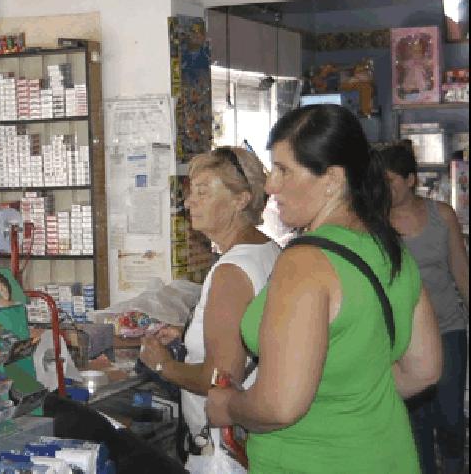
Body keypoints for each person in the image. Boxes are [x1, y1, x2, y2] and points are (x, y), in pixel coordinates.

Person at [206, 104, 443, 473]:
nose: (270, 185)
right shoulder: (389, 248)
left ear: (331, 179)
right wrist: (347, 402)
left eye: (284, 170)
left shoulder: (305, 263)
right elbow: (424, 370)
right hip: (387, 454)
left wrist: (228, 405)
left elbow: (280, 406)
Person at [138, 146, 279, 471]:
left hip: (222, 449)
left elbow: (220, 377)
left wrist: (162, 365)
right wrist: (190, 336)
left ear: (240, 200)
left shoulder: (232, 270)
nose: (189, 202)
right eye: (191, 192)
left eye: (202, 192)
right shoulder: (267, 250)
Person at [381, 141, 469, 474]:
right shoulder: (375, 222)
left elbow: (461, 271)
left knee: (449, 416)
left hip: (448, 328)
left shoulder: (440, 215)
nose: (383, 188)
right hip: (400, 337)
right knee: (415, 422)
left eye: (389, 181)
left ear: (410, 179)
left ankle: (455, 464)